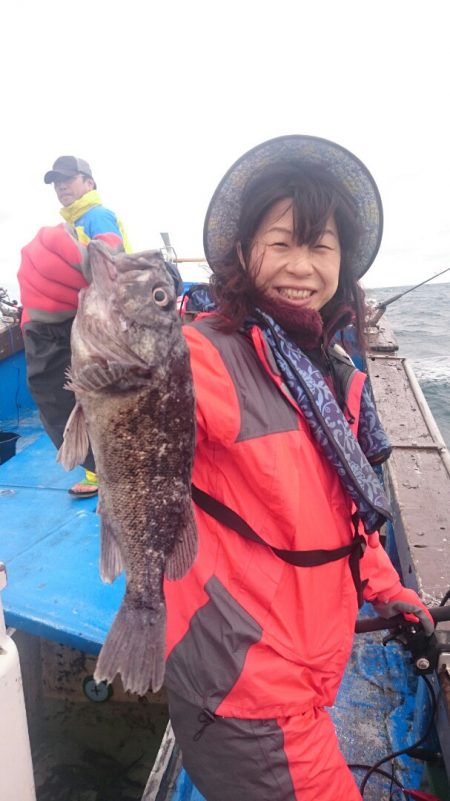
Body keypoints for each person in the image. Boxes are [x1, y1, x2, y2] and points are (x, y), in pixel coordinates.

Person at [163, 135, 435, 801]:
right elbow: (118, 421)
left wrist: (389, 590)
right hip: (244, 698)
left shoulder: (331, 369)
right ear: (242, 251)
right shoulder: (202, 356)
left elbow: (347, 511)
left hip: (306, 679)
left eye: (320, 246)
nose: (301, 266)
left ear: (343, 260)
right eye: (281, 242)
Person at [17, 156, 131, 497]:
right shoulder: (75, 220)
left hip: (98, 322)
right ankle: (101, 471)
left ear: (89, 183)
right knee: (86, 396)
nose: (61, 186)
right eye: (56, 181)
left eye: (69, 179)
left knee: (86, 395)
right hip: (83, 320)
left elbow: (114, 256)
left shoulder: (96, 216)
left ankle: (109, 468)